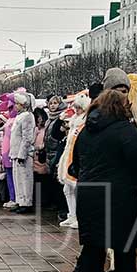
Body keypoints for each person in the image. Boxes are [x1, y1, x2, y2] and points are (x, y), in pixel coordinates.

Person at [71, 87, 137, 272]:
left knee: (93, 241)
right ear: (119, 107)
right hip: (119, 193)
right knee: (123, 241)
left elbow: (76, 163)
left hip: (88, 193)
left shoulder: (86, 130)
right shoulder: (124, 129)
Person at [57, 94, 91, 228]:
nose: (77, 110)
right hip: (68, 155)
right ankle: (72, 215)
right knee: (67, 189)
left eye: (79, 108)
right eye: (76, 107)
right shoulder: (74, 123)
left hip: (76, 157)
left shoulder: (84, 123)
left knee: (76, 188)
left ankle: (79, 217)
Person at [9, 90, 37, 214]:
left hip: (23, 154)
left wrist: (22, 154)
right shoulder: (19, 116)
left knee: (25, 179)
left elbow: (27, 137)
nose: (16, 106)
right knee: (17, 179)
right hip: (15, 152)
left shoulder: (28, 116)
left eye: (18, 104)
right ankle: (20, 200)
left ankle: (27, 202)